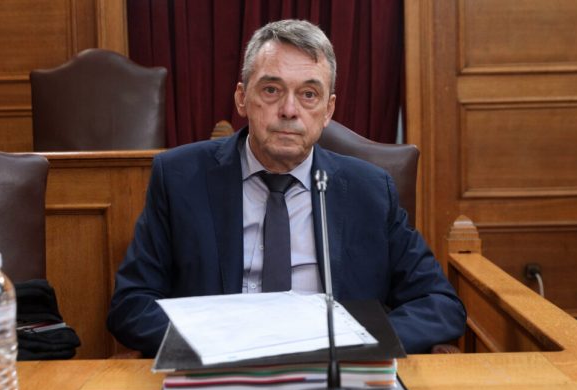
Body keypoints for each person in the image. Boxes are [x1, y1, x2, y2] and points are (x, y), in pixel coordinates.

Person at [107, 19, 466, 358]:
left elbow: (439, 304)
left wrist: (354, 341)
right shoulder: (179, 178)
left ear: (328, 110)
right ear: (242, 98)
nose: (289, 110)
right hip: (221, 368)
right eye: (271, 90)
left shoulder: (369, 191)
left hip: (334, 372)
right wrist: (217, 341)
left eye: (309, 94)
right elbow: (132, 305)